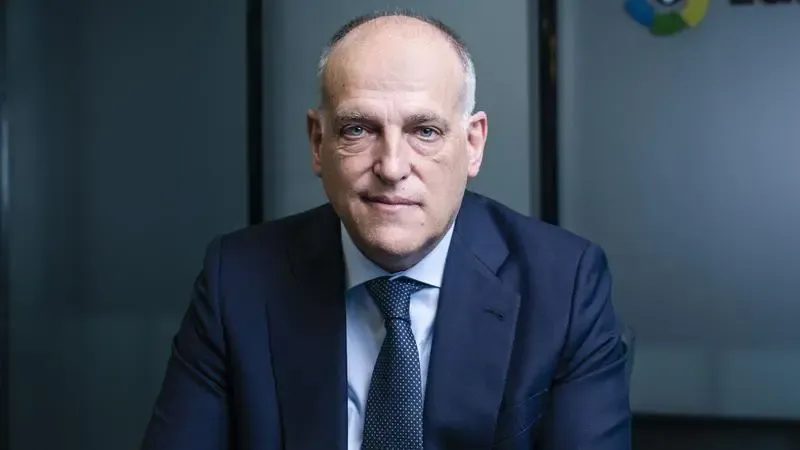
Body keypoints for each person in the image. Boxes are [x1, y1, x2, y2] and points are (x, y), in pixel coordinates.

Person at [141, 10, 631, 450]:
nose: (392, 167)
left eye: (425, 131)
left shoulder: (565, 285)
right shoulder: (237, 279)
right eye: (358, 129)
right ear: (317, 142)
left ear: (473, 144)